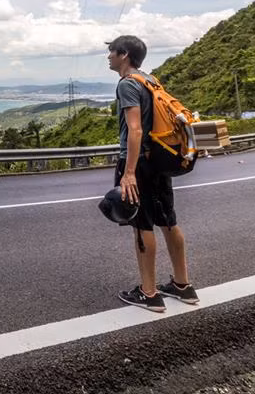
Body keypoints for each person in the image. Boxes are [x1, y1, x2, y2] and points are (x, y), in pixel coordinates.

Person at [106, 35, 199, 312]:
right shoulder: (151, 80)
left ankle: (149, 294)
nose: (108, 57)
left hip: (138, 162)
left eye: (111, 52)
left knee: (141, 224)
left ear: (124, 55)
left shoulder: (127, 84)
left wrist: (129, 173)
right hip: (158, 157)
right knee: (168, 220)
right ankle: (183, 286)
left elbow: (135, 130)